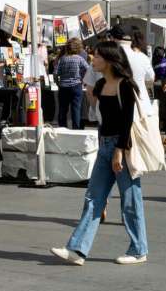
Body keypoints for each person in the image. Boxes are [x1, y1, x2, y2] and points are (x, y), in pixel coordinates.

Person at [50, 41, 147, 265]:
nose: (92, 60)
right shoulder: (102, 84)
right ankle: (77, 249)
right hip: (104, 144)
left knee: (131, 200)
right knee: (93, 198)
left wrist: (118, 151)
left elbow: (126, 122)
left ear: (110, 59)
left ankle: (139, 249)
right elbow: (102, 118)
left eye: (97, 57)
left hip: (123, 147)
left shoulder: (125, 85)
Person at [115, 26, 154, 108]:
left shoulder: (113, 56)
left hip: (120, 103)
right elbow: (151, 78)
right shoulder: (142, 56)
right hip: (140, 101)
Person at [55, 37, 89, 129]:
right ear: (78, 47)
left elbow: (55, 72)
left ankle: (62, 128)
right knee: (76, 110)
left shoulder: (62, 59)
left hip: (63, 87)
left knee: (62, 109)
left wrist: (58, 82)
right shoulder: (79, 58)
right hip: (76, 86)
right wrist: (83, 79)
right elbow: (88, 69)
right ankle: (76, 129)